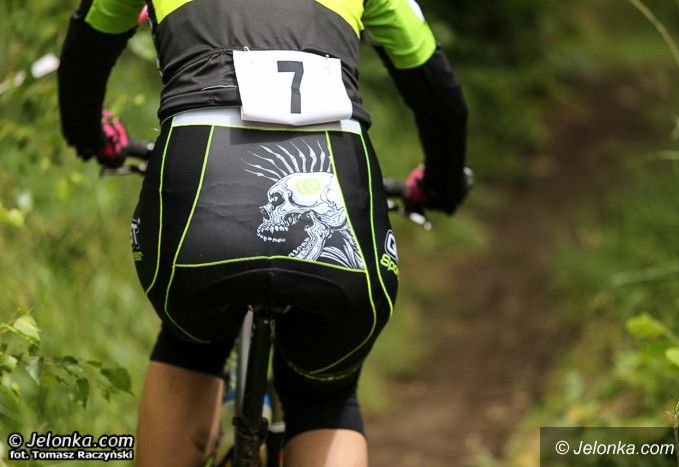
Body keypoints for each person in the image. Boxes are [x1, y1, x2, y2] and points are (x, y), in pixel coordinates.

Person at [58, 0, 468, 465]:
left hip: (200, 182)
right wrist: (441, 184)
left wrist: (91, 136)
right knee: (324, 395)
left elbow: (86, 48)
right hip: (336, 173)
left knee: (190, 344)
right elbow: (438, 92)